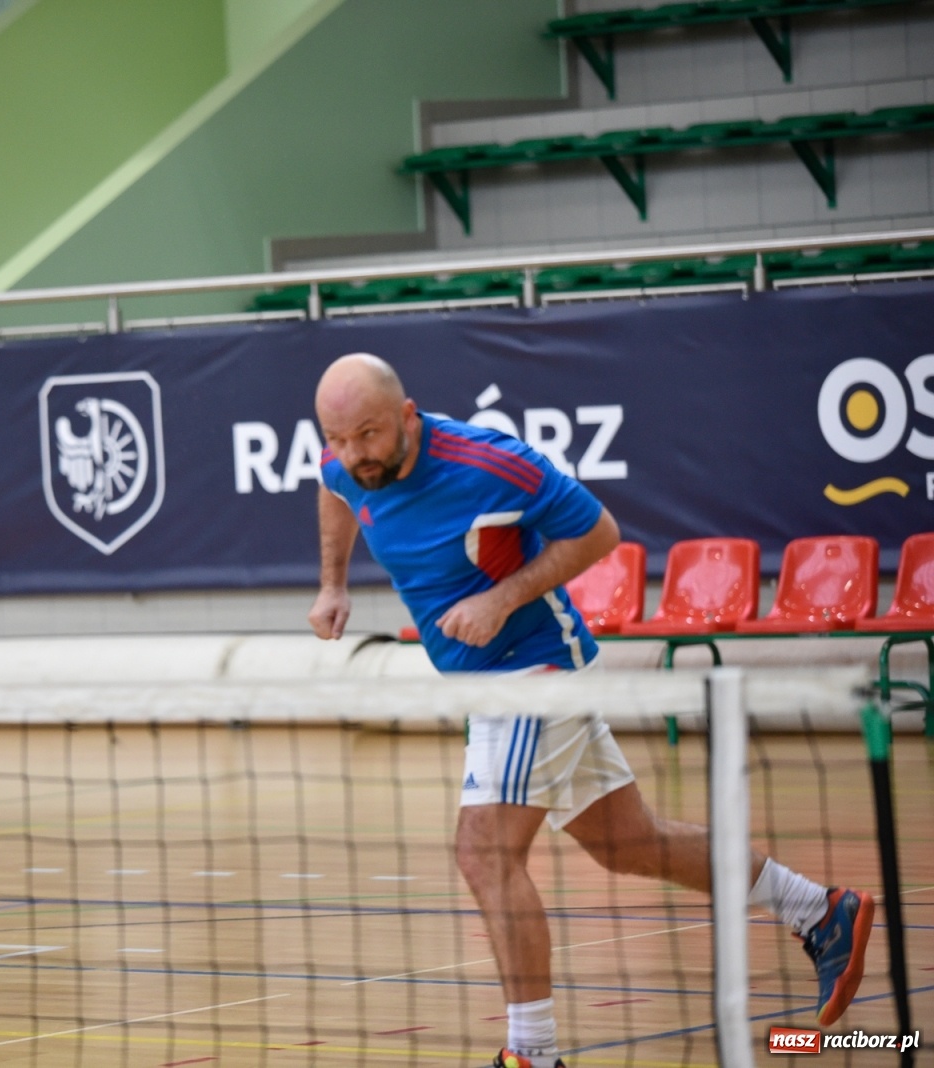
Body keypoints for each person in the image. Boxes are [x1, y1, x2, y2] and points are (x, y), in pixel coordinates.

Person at [307, 353, 873, 1068]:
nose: (355, 454)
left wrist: (500, 598)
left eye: (368, 435)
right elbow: (333, 490)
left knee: (483, 851)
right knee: (627, 842)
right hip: (483, 687)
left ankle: (532, 1055)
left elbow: (599, 532)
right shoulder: (345, 461)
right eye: (340, 439)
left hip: (534, 667)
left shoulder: (491, 465)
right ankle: (821, 912)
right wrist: (334, 584)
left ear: (407, 414)